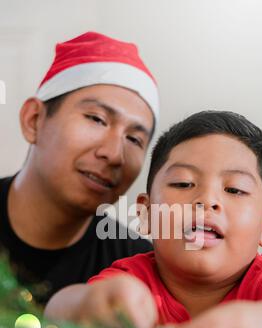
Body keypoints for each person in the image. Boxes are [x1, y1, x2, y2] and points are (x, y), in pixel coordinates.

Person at [45, 111, 262, 328]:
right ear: (146, 214)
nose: (208, 200)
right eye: (183, 184)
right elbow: (58, 311)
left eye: (235, 189)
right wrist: (90, 305)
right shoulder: (131, 282)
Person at [0, 31, 159, 304]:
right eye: (96, 119)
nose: (113, 154)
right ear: (34, 119)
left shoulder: (137, 271)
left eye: (134, 139)